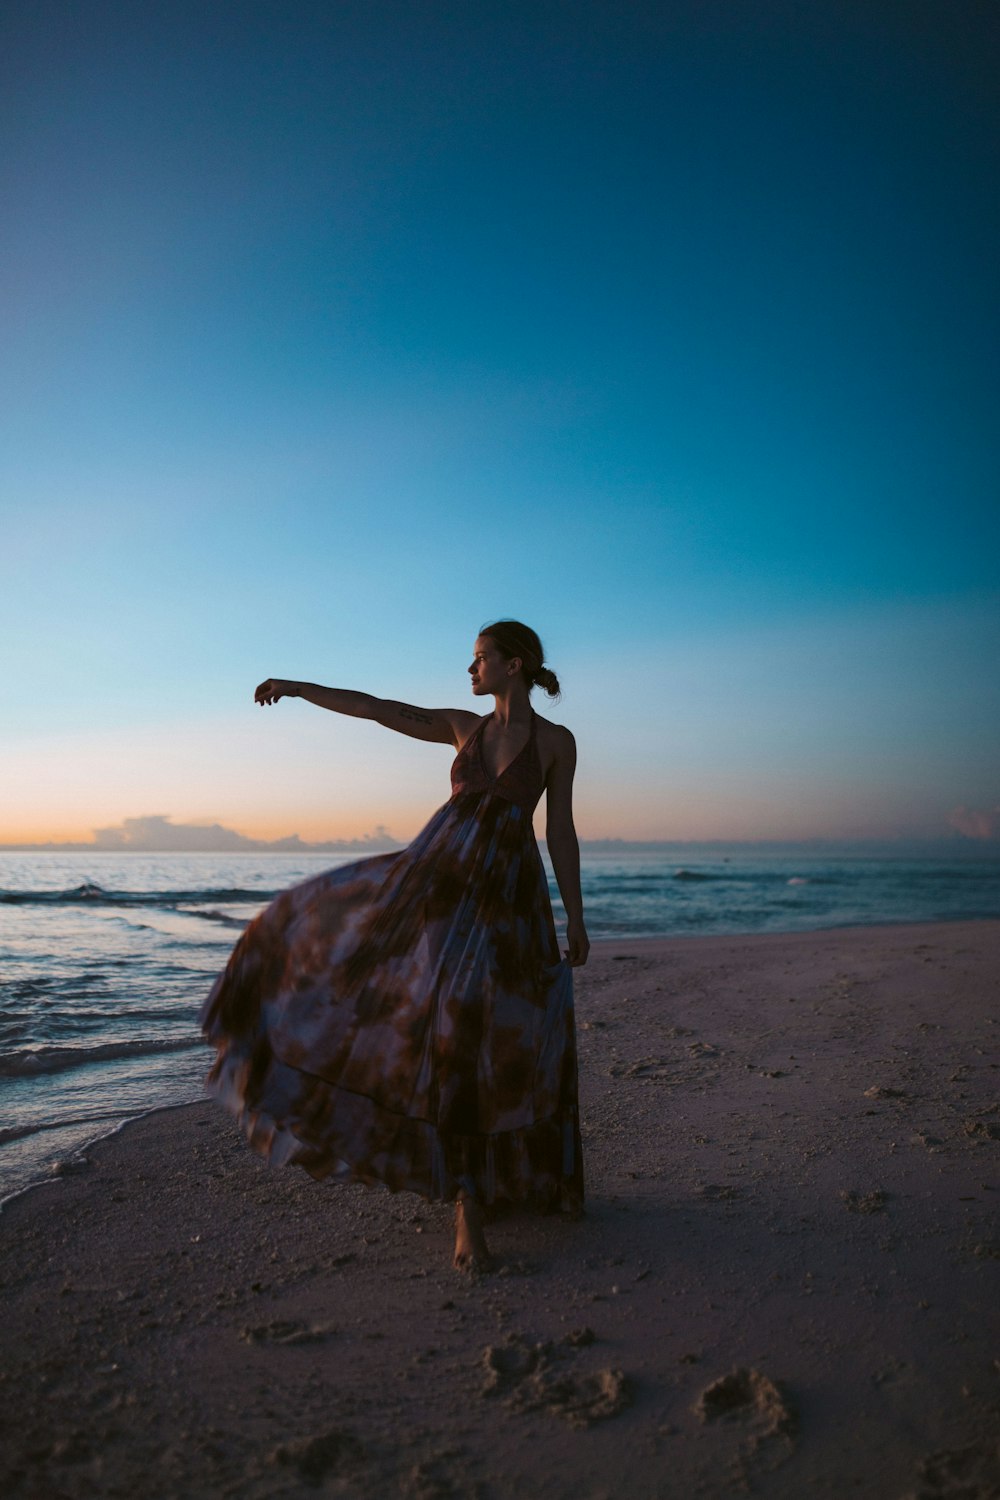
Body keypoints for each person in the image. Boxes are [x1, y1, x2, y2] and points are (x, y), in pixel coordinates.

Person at [200, 620, 588, 1271]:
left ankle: (502, 1180)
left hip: (511, 904)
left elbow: (563, 832)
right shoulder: (466, 727)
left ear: (514, 665)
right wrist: (298, 687)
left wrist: (575, 917)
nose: (470, 671)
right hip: (439, 891)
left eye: (480, 659)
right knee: (451, 1032)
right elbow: (376, 710)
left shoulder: (556, 743)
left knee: (504, 1039)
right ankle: (468, 1205)